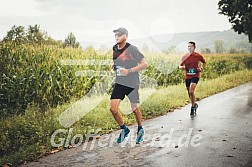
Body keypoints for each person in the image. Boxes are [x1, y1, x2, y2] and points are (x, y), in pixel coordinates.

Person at [110, 27, 149, 143]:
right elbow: (117, 61)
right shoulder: (114, 48)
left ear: (125, 36)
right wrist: (114, 66)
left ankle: (140, 129)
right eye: (115, 35)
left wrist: (129, 71)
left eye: (119, 35)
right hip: (120, 82)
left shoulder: (132, 49)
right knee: (113, 109)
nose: (116, 37)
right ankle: (124, 129)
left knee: (135, 109)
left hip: (132, 83)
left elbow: (145, 64)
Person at [179, 41, 206, 116]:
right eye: (188, 46)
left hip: (195, 76)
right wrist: (184, 68)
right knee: (189, 93)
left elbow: (204, 62)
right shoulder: (185, 56)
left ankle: (193, 107)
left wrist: (201, 68)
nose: (189, 48)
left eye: (191, 46)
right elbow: (179, 66)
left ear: (194, 47)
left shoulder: (198, 56)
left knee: (191, 91)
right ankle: (194, 104)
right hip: (187, 76)